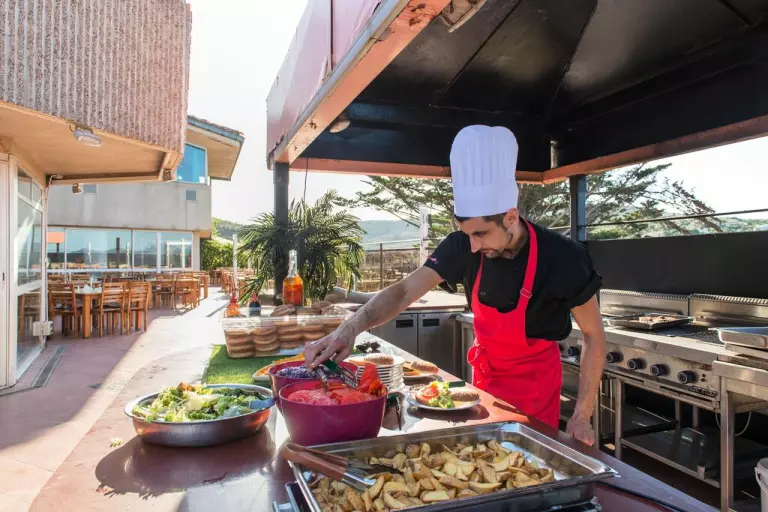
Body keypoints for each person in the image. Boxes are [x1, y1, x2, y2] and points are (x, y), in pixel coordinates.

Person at [305, 125, 607, 445]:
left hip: (536, 392)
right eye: (467, 234)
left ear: (510, 217)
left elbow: (594, 335)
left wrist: (581, 415)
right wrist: (349, 329)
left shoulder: (563, 257)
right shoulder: (462, 246)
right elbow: (404, 291)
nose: (473, 246)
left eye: (480, 234)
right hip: (484, 388)